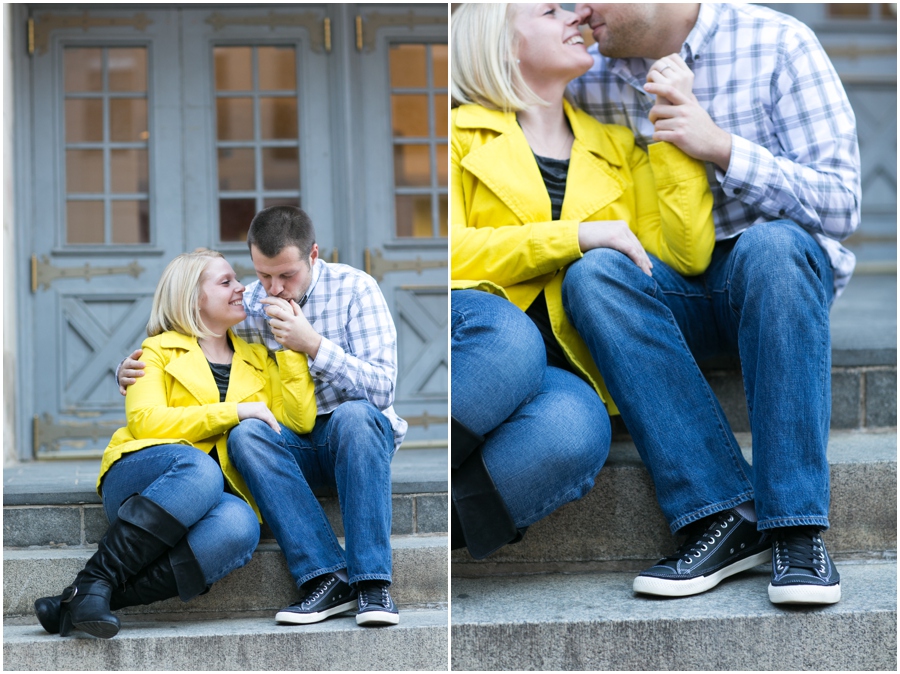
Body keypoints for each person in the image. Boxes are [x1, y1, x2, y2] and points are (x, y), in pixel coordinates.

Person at [565, 2, 860, 604]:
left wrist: (723, 147)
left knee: (772, 246)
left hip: (776, 280)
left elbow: (843, 204)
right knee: (594, 274)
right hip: (673, 284)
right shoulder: (586, 73)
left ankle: (797, 529)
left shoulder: (778, 44)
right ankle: (723, 513)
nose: (579, 8)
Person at [450, 3, 715, 559]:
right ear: (502, 44)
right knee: (509, 342)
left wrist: (673, 122)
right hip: (477, 335)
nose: (575, 17)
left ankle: (433, 531)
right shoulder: (456, 135)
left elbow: (680, 257)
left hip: (562, 362)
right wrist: (573, 237)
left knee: (578, 430)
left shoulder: (618, 147)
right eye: (551, 11)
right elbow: (449, 254)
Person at [118, 206, 405, 626]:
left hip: (357, 440)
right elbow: (191, 335)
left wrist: (313, 346)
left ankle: (372, 583)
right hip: (292, 444)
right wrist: (128, 369)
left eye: (286, 276)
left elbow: (383, 389)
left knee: (354, 416)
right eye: (263, 275)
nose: (273, 288)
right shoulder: (248, 303)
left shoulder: (356, 290)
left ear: (313, 255)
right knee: (248, 433)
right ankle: (326, 578)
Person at [34, 249, 317, 639]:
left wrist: (290, 349)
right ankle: (96, 578)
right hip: (145, 480)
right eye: (226, 282)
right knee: (198, 468)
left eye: (237, 280)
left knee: (241, 525)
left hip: (214, 494)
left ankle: (87, 598)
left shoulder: (258, 357)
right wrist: (232, 412)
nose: (242, 288)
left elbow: (297, 421)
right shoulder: (156, 351)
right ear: (192, 297)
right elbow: (145, 421)